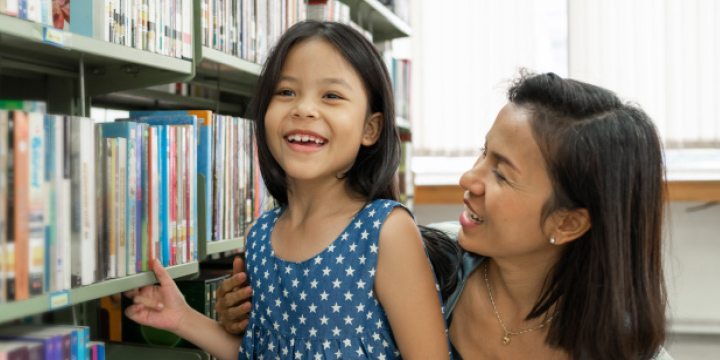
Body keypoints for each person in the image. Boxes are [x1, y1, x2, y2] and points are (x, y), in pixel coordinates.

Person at [216, 71, 673, 360]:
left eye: (501, 173)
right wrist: (248, 315)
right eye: (482, 154)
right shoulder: (420, 257)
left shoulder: (626, 348)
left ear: (568, 222)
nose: (468, 179)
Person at [123, 21, 451, 360]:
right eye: (286, 92)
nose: (303, 108)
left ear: (370, 128)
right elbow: (260, 351)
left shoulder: (385, 231)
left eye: (332, 96)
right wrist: (183, 319)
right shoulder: (259, 237)